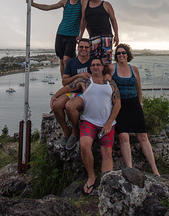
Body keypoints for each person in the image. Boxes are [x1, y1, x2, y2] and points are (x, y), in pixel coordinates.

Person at [50, 57, 121, 194]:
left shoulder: (110, 84)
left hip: (107, 123)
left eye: (98, 64)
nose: (95, 67)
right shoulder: (85, 82)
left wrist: (108, 123)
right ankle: (91, 177)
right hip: (89, 121)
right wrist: (55, 96)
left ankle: (107, 183)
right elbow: (67, 87)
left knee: (107, 152)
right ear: (91, 68)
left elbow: (118, 104)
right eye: (93, 65)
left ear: (102, 67)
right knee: (84, 145)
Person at [108, 44, 160, 176]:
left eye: (123, 53)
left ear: (128, 54)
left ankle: (155, 171)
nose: (121, 55)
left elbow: (139, 89)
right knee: (123, 136)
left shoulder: (134, 69)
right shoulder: (111, 68)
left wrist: (140, 103)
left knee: (143, 136)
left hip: (134, 104)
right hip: (119, 105)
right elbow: (100, 70)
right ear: (116, 55)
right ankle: (130, 170)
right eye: (118, 53)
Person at [29, 0, 85, 75]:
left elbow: (85, 17)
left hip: (72, 36)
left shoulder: (83, 2)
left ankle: (69, 79)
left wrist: (81, 35)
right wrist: (33, 4)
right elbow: (48, 7)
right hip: (60, 33)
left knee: (67, 60)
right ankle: (64, 82)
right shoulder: (65, 2)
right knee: (62, 60)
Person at [51, 38, 92, 150]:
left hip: (85, 94)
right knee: (57, 105)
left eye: (86, 47)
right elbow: (64, 82)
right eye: (81, 47)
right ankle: (66, 131)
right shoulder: (71, 62)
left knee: (69, 106)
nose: (83, 49)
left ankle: (75, 132)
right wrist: (78, 76)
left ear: (90, 49)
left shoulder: (93, 62)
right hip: (71, 92)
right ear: (78, 48)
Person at [78, 0, 119, 65]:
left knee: (106, 61)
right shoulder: (85, 4)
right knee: (94, 61)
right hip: (93, 37)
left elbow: (113, 20)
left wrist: (116, 35)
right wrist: (80, 35)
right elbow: (83, 21)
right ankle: (96, 78)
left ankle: (107, 77)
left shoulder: (106, 4)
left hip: (106, 37)